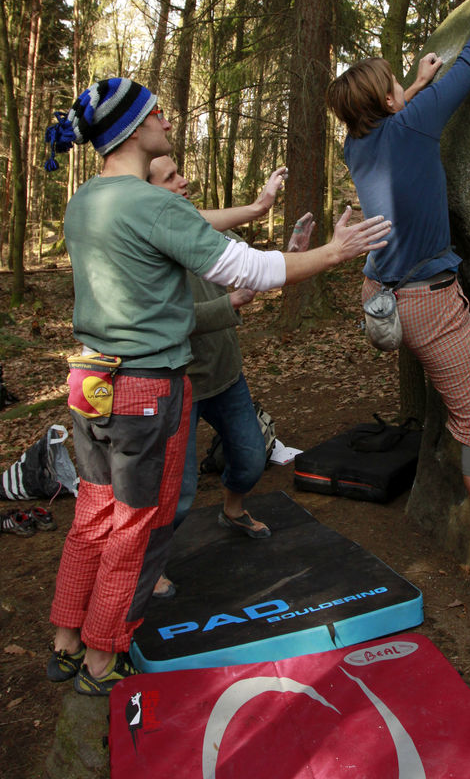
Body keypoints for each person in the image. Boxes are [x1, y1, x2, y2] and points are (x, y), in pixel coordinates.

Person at [43, 78, 391, 694]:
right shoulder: (146, 204)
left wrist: (256, 212)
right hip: (144, 390)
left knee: (93, 513)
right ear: (131, 129)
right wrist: (337, 253)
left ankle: (66, 640)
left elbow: (187, 226)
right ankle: (103, 659)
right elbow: (246, 266)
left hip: (89, 382)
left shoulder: (88, 200)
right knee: (136, 524)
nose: (166, 123)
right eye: (155, 115)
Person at [326, 0, 470, 567]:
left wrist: (416, 84)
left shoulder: (357, 146)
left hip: (381, 296)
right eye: (397, 81)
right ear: (389, 104)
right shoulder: (412, 127)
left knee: (452, 402)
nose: (405, 82)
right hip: (429, 302)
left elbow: (394, 123)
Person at [147, 156, 315, 601]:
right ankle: (151, 564)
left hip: (226, 376)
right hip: (178, 384)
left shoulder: (210, 232)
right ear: (145, 192)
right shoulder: (149, 249)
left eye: (180, 172)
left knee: (249, 458)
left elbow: (250, 265)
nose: (184, 181)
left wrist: (291, 258)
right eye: (170, 178)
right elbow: (168, 320)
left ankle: (232, 510)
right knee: (177, 491)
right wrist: (231, 303)